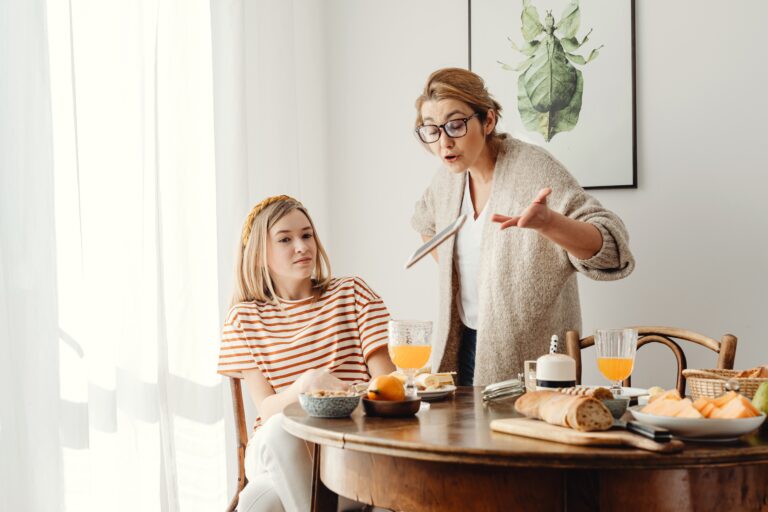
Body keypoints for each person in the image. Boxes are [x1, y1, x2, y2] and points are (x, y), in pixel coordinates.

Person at [410, 68, 635, 387]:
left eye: (456, 125)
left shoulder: (533, 170)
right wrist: (460, 270)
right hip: (461, 346)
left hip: (532, 359)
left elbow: (613, 250)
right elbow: (425, 223)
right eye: (431, 129)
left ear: (487, 121)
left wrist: (550, 223)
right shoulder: (448, 179)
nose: (444, 142)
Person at [218, 195, 395, 511]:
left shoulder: (352, 293)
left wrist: (341, 400)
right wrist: (305, 387)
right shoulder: (244, 318)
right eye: (285, 239)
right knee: (278, 430)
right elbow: (268, 407)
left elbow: (387, 384)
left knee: (259, 506)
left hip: (346, 445)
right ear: (259, 254)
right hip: (277, 448)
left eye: (306, 234)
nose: (302, 246)